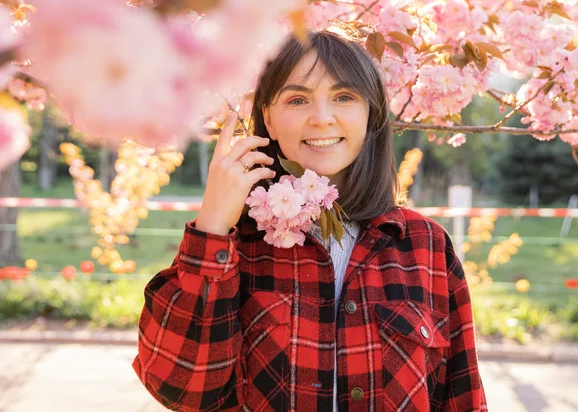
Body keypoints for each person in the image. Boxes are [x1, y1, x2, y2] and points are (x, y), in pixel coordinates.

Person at [133, 29, 488, 411]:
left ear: (371, 114)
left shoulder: (425, 245)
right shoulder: (236, 245)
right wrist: (213, 228)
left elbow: (462, 397)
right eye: (298, 99)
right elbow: (180, 388)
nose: (321, 118)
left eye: (344, 97)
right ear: (267, 117)